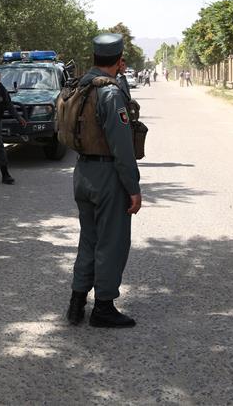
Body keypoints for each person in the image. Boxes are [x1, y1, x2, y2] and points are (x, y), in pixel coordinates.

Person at [66, 33, 142, 329]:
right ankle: (104, 308)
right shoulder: (109, 94)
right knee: (111, 242)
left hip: (83, 171)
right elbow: (123, 150)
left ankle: (76, 303)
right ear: (118, 58)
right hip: (107, 175)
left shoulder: (81, 86)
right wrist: (133, 189)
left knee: (89, 238)